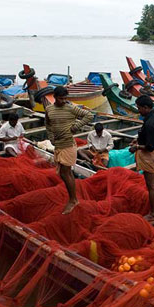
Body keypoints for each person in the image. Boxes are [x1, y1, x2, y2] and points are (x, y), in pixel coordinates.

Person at [45, 86, 93, 214]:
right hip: (58, 145)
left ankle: (73, 200)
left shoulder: (70, 108)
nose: (64, 101)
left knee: (66, 172)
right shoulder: (49, 109)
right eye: (61, 98)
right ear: (54, 97)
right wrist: (51, 138)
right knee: (63, 173)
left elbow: (88, 115)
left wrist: (75, 127)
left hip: (68, 144)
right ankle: (72, 198)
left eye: (66, 98)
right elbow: (48, 125)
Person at [129, 95, 154, 221]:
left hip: (150, 155)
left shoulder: (150, 123)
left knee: (150, 185)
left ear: (146, 107)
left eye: (139, 108)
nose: (138, 110)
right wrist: (138, 139)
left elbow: (150, 146)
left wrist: (137, 147)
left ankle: (153, 213)